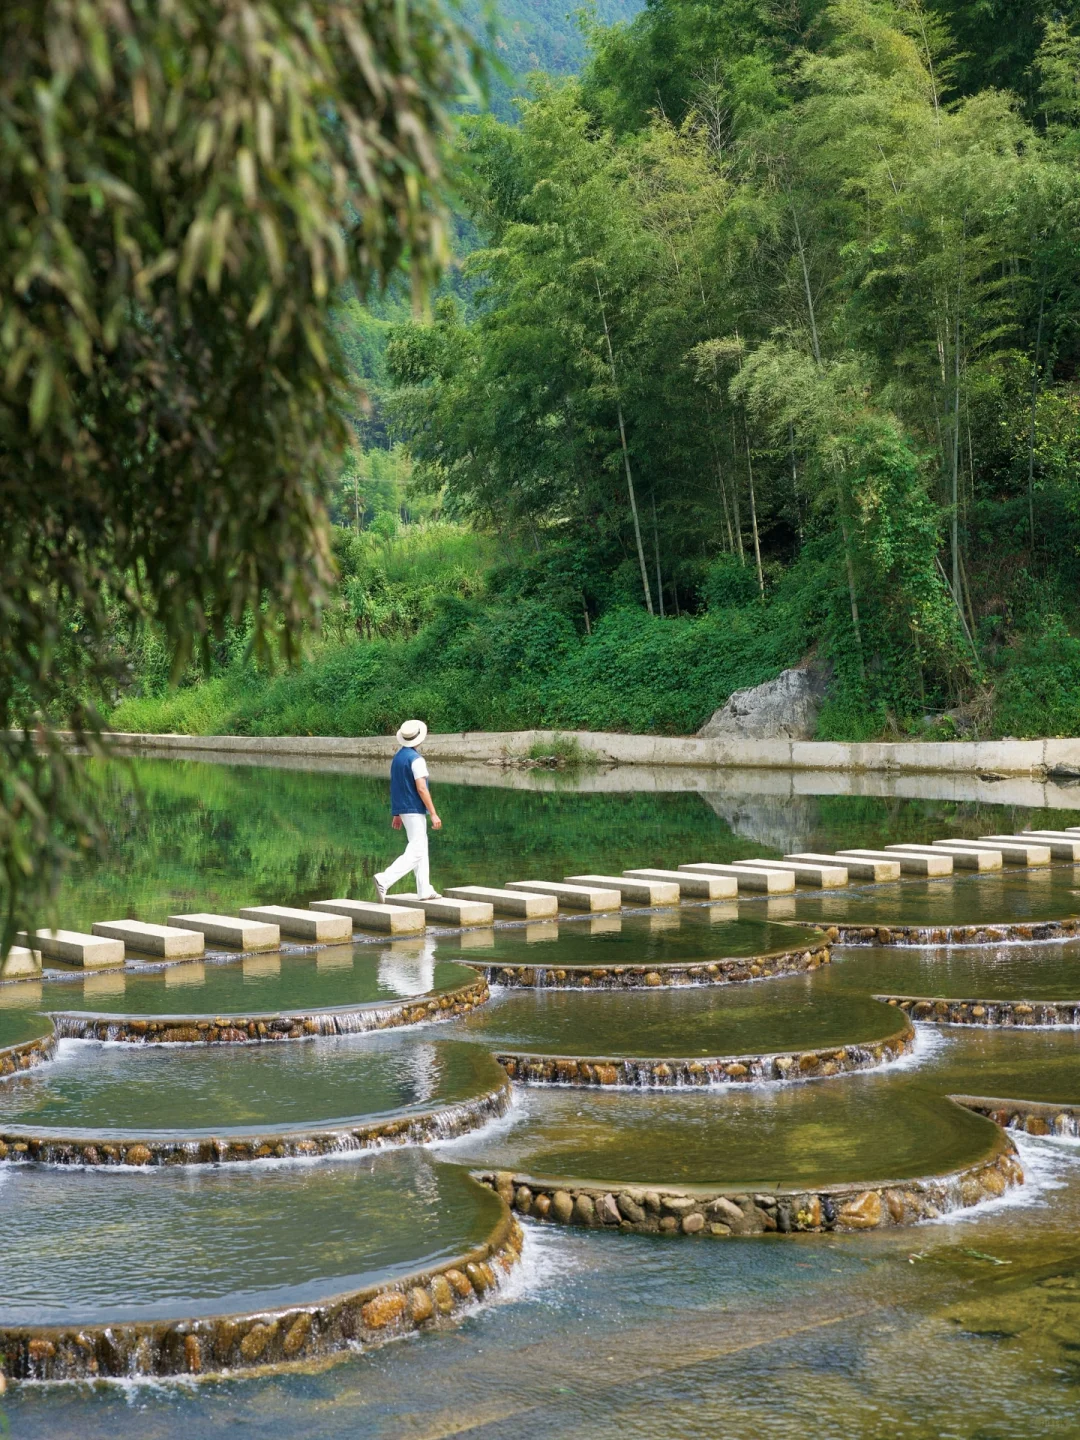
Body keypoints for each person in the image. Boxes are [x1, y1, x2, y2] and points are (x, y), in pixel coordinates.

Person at [374, 719, 442, 903]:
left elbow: (397, 785)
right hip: (414, 809)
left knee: (420, 846)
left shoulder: (398, 758)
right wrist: (433, 813)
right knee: (418, 850)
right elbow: (421, 788)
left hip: (404, 809)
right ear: (419, 739)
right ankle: (384, 879)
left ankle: (424, 889)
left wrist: (396, 813)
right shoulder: (416, 760)